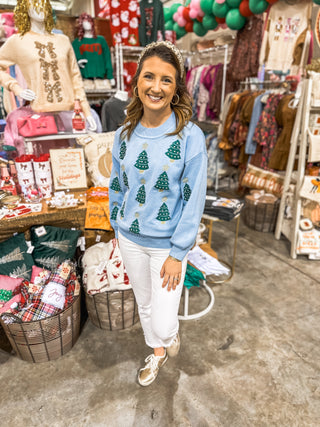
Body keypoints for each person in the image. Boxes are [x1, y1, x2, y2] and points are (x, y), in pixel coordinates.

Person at [109, 40, 207, 386]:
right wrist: (115, 224)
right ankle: (158, 353)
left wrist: (179, 252)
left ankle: (166, 337)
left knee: (164, 321)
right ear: (136, 82)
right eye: (149, 77)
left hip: (166, 245)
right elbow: (117, 184)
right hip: (130, 237)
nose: (156, 86)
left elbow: (194, 199)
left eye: (166, 80)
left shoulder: (190, 137)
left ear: (176, 87)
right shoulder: (123, 134)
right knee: (145, 305)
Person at [0, 0, 97, 132]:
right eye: (34, 3)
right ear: (25, 8)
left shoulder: (63, 40)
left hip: (70, 114)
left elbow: (76, 78)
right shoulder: (18, 41)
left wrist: (87, 112)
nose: (39, 8)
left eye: (43, 3)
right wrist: (16, 88)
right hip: (40, 117)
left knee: (70, 152)